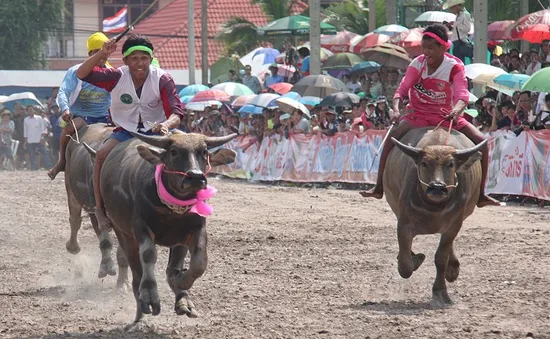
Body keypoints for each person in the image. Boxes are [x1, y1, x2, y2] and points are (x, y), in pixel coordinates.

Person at [360, 24, 500, 208]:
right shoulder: (418, 64)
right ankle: (379, 186)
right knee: (390, 140)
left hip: (447, 116)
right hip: (418, 115)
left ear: (443, 47)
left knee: (482, 143)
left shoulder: (455, 67)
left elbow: (462, 95)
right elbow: (402, 90)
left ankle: (481, 194)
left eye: (431, 48)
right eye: (424, 47)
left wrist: (457, 110)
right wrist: (395, 108)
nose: (426, 52)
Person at [76, 34, 184, 230]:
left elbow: (177, 112)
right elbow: (82, 74)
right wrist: (102, 53)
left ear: (151, 59)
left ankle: (192, 204)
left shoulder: (163, 79)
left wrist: (168, 125)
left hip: (158, 132)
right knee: (100, 155)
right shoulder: (116, 76)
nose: (140, 63)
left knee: (190, 149)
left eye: (144, 57)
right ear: (125, 60)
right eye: (134, 58)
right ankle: (99, 210)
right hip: (125, 131)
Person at [48, 32, 112, 180]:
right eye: (97, 52)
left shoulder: (112, 72)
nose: (101, 56)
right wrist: (65, 109)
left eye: (104, 52)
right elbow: (63, 91)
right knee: (70, 128)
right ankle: (62, 161)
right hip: (84, 117)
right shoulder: (76, 71)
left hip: (107, 117)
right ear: (90, 54)